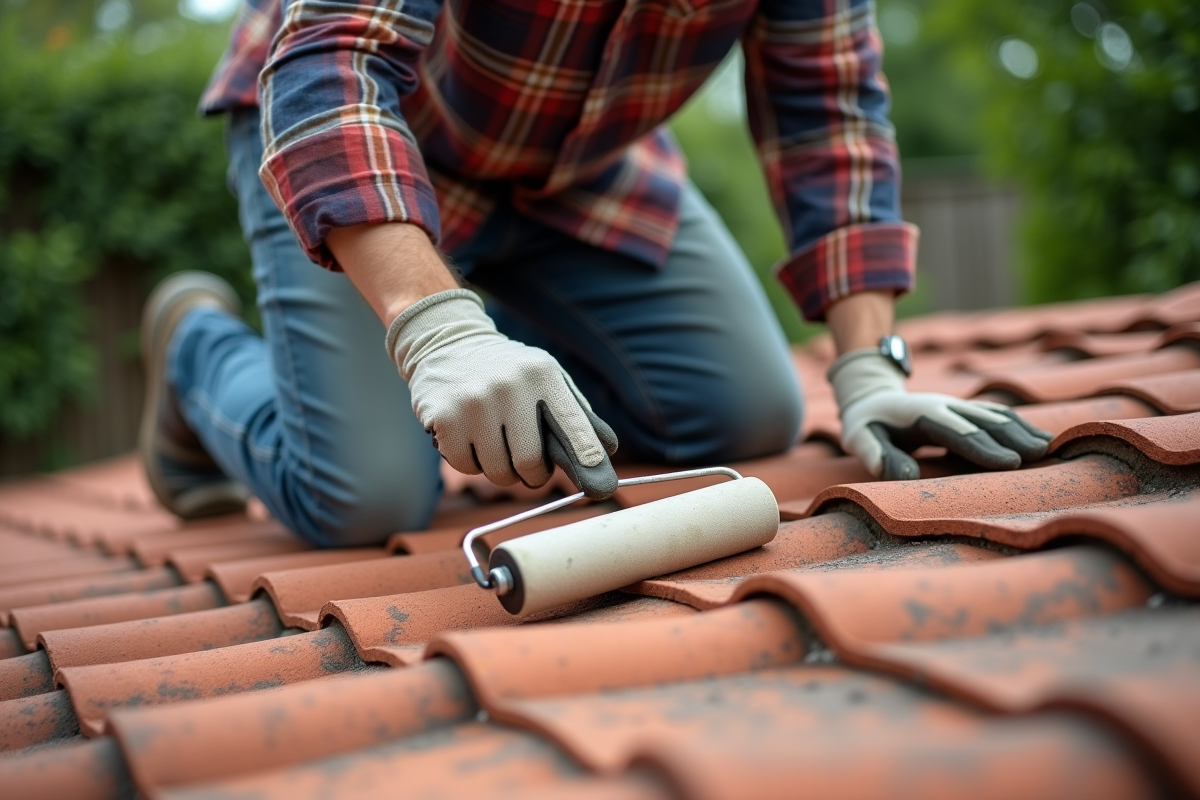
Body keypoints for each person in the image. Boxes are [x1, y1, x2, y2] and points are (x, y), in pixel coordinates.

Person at [139, 0, 1051, 547]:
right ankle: (194, 352)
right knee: (365, 498)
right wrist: (438, 329)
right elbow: (333, 63)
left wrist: (867, 365)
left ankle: (502, 356)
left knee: (750, 413)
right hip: (368, 137)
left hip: (577, 167)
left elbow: (831, 117)